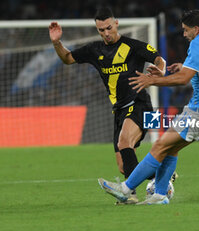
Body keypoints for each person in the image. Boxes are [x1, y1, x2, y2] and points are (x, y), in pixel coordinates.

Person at [98, 9, 199, 204]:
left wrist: (151, 81)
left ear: (195, 29)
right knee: (170, 149)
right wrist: (183, 68)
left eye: (186, 30)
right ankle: (160, 195)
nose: (184, 34)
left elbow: (184, 79)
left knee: (160, 146)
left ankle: (126, 188)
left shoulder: (198, 43)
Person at [49, 7, 167, 203]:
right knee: (123, 165)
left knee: (124, 143)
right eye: (101, 30)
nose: (106, 33)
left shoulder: (132, 45)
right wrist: (56, 43)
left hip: (139, 103)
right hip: (119, 109)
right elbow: (68, 59)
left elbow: (158, 58)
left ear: (117, 23)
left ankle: (131, 193)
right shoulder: (94, 49)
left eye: (109, 28)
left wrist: (160, 71)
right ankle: (161, 176)